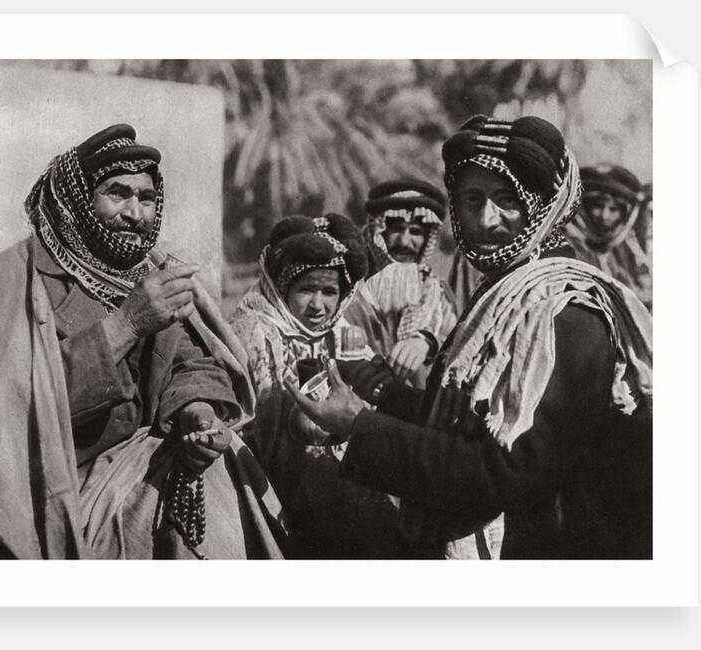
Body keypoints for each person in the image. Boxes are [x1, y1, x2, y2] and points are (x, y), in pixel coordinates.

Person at [287, 115, 653, 560]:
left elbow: (505, 471)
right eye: (472, 200)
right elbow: (464, 419)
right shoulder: (509, 288)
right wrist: (379, 391)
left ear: (545, 206)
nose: (486, 219)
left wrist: (359, 428)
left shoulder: (564, 311)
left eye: (507, 200)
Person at [0, 124, 286, 559]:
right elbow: (9, 417)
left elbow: (190, 360)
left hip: (134, 474)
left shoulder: (146, 271)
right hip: (53, 495)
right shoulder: (14, 281)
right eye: (118, 194)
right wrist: (126, 324)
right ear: (78, 200)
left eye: (146, 199)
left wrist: (196, 414)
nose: (135, 214)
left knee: (227, 464)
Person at [229, 214, 410, 558]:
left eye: (329, 292)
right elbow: (267, 423)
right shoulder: (256, 331)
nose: (318, 305)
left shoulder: (338, 327)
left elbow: (375, 383)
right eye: (306, 290)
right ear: (282, 289)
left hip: (333, 461)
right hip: (272, 469)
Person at [346, 180, 458, 386]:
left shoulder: (435, 293)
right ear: (379, 232)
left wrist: (426, 343)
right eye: (397, 229)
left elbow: (456, 342)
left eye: (415, 232)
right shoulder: (349, 285)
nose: (405, 242)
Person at [565, 164, 652, 310]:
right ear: (584, 207)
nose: (605, 216)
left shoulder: (619, 249)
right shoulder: (569, 245)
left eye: (613, 209)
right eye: (598, 206)